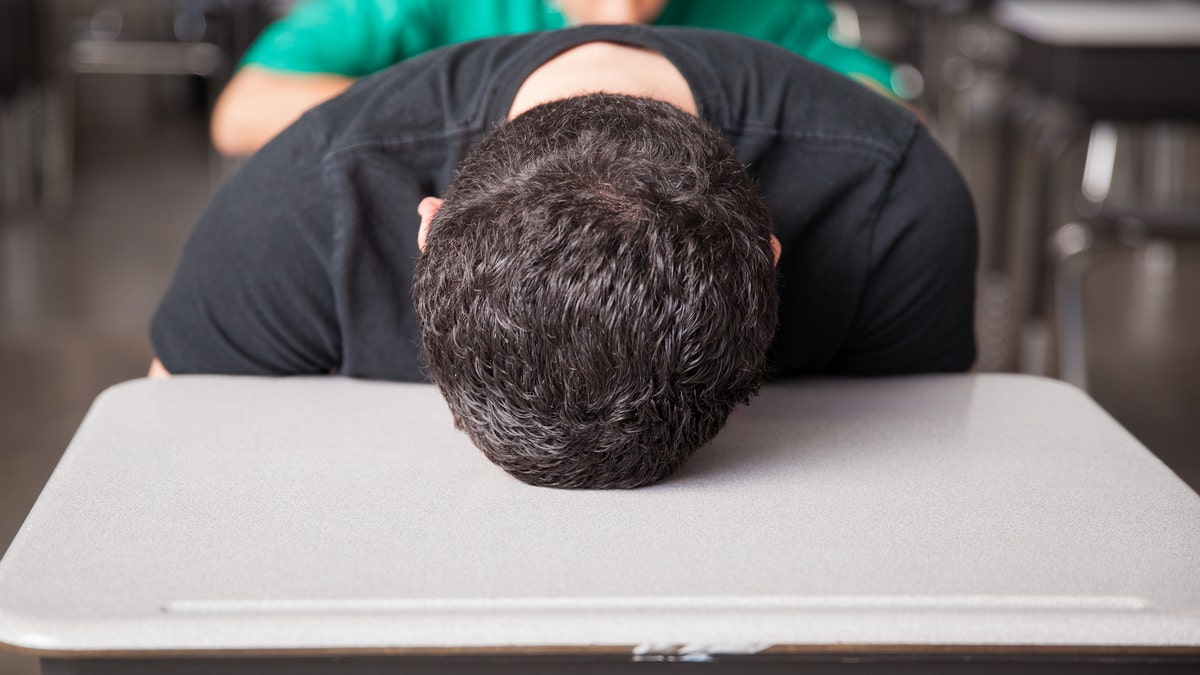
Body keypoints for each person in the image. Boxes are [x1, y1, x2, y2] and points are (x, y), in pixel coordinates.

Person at [151, 25, 977, 488]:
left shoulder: (893, 206)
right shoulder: (298, 206)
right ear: (429, 232)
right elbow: (158, 477)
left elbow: (916, 497)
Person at [210, 0, 908, 155]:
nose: (617, 15)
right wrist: (525, 122)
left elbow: (889, 118)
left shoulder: (765, 9)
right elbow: (243, 112)